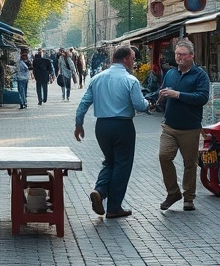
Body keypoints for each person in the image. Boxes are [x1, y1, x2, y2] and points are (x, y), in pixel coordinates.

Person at [74, 45, 149, 218]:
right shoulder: (130, 80)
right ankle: (114, 207)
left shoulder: (97, 78)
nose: (133, 61)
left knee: (110, 161)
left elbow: (84, 103)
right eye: (132, 58)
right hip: (123, 126)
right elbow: (139, 105)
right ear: (124, 59)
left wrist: (79, 124)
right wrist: (148, 105)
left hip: (102, 127)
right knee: (122, 165)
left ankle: (100, 191)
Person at [150, 39, 210, 211]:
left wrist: (178, 94)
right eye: (177, 54)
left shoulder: (200, 75)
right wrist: (156, 98)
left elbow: (202, 98)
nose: (179, 57)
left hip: (190, 127)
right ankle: (173, 192)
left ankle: (188, 198)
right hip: (169, 126)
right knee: (164, 156)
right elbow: (162, 90)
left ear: (191, 56)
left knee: (189, 163)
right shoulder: (170, 73)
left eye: (182, 54)